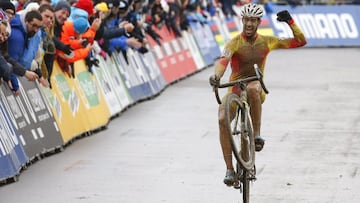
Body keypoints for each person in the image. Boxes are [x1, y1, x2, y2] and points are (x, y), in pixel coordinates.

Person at [209, 3, 307, 186]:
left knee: (253, 88)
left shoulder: (267, 41)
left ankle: (257, 136)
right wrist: (216, 76)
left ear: (259, 22)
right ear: (242, 20)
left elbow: (300, 41)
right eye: (246, 19)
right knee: (222, 118)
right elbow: (223, 62)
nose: (249, 24)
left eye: (253, 20)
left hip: (255, 89)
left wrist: (290, 22)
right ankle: (230, 169)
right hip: (235, 88)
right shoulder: (234, 43)